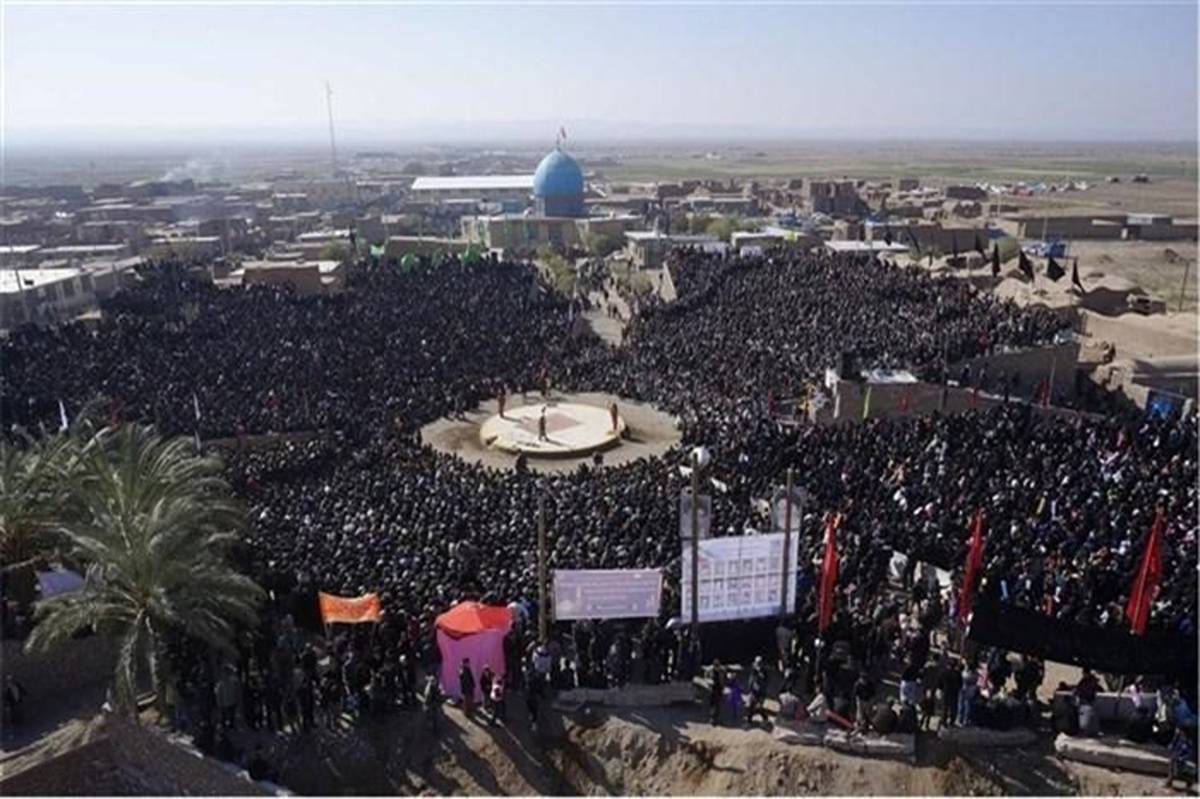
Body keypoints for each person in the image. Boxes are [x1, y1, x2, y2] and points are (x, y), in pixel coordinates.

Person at [709, 660, 725, 725]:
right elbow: (708, 679)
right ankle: (712, 719)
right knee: (713, 705)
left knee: (718, 705)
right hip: (713, 690)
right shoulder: (711, 671)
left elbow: (723, 679)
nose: (717, 668)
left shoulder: (721, 671)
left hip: (719, 690)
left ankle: (717, 719)